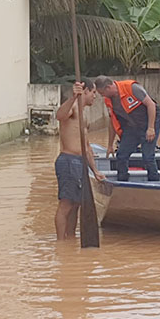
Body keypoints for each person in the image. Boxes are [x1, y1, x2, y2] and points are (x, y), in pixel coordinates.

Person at [54, 78, 105, 240]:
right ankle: (61, 243)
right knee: (66, 204)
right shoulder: (73, 107)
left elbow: (87, 147)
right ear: (85, 91)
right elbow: (60, 116)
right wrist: (74, 97)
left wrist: (95, 171)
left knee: (76, 205)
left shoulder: (85, 116)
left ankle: (70, 238)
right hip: (68, 161)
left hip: (80, 162)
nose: (95, 97)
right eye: (93, 92)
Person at [94, 76, 160, 182]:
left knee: (148, 156)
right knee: (121, 155)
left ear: (108, 87)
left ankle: (154, 181)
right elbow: (113, 122)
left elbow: (151, 105)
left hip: (149, 122)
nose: (101, 96)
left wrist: (151, 128)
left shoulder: (132, 88)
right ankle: (122, 181)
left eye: (102, 93)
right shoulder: (108, 101)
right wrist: (110, 145)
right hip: (131, 127)